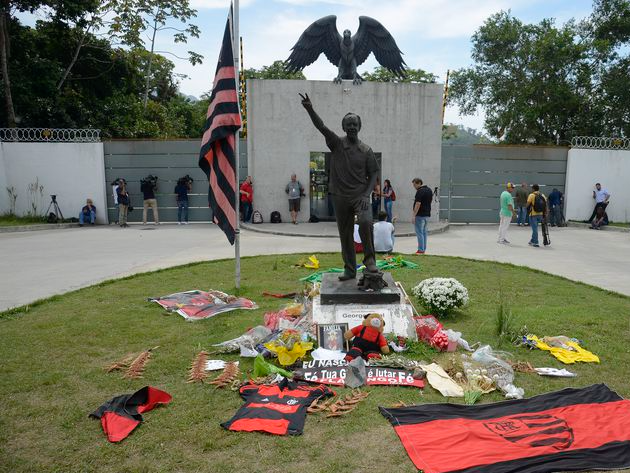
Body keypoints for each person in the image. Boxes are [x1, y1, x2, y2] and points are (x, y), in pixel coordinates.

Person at [300, 92, 380, 282]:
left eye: (355, 124)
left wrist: (366, 194)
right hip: (340, 196)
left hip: (360, 196)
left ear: (359, 127)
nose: (352, 127)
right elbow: (321, 127)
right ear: (344, 127)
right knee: (345, 233)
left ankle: (370, 262)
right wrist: (310, 108)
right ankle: (350, 269)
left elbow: (374, 173)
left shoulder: (366, 150)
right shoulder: (336, 144)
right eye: (348, 124)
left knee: (366, 223)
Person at [412, 178, 433, 254]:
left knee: (419, 232)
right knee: (424, 232)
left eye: (414, 185)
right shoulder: (429, 190)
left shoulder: (420, 191)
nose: (414, 187)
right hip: (427, 214)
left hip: (420, 215)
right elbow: (429, 201)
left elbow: (418, 204)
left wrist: (414, 215)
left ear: (419, 183)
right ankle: (423, 249)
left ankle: (420, 250)